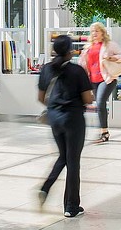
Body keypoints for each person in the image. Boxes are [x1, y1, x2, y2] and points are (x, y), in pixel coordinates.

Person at [37, 34, 93, 218]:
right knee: (73, 161)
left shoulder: (46, 69)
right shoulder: (77, 71)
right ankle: (71, 206)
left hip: (55, 119)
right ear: (69, 51)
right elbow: (87, 98)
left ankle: (46, 187)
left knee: (64, 156)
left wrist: (55, 109)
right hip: (73, 119)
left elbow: (41, 97)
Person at [78, 21, 121, 143]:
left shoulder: (109, 45)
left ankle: (104, 132)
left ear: (102, 33)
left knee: (100, 101)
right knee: (99, 105)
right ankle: (103, 132)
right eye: (92, 31)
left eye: (97, 31)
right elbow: (82, 63)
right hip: (92, 80)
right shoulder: (88, 47)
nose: (94, 33)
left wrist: (112, 58)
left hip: (107, 78)